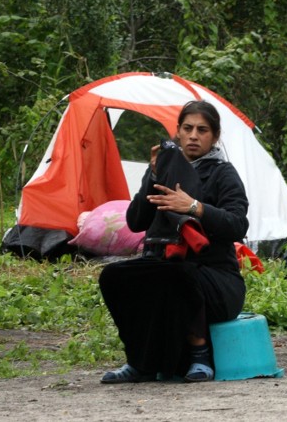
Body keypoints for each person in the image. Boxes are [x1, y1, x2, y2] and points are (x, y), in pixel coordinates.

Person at [98, 100, 249, 384]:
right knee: (114, 276)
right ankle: (140, 362)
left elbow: (237, 225)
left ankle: (200, 355)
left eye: (202, 130)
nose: (194, 135)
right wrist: (153, 176)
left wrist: (194, 207)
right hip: (166, 269)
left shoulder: (222, 173)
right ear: (177, 132)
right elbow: (136, 221)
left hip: (216, 280)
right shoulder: (163, 168)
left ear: (214, 137)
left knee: (177, 275)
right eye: (187, 128)